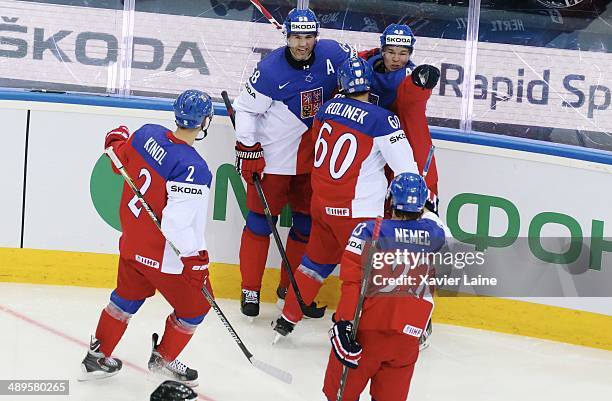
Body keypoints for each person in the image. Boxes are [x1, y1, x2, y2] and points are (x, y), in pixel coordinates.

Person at [273, 56, 420, 340]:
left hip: (323, 205)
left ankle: (287, 319)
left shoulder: (326, 109)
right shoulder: (382, 119)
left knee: (313, 264)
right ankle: (345, 329)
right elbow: (407, 171)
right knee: (362, 275)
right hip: (358, 215)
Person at [79, 89, 215, 387]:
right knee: (197, 308)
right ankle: (164, 360)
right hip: (165, 257)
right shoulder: (193, 168)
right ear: (206, 121)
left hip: (132, 244)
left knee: (126, 298)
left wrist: (116, 138)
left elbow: (117, 158)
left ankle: (97, 356)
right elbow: (178, 225)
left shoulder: (146, 135)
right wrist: (196, 261)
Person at [232, 8, 353, 318]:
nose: (303, 43)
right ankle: (250, 289)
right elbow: (244, 109)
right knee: (260, 224)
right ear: (286, 36)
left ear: (317, 36)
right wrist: (249, 147)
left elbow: (360, 65)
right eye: (297, 36)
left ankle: (291, 289)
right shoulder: (270, 70)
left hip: (313, 160)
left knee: (306, 226)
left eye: (309, 36)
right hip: (273, 160)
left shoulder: (333, 54)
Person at [322, 172, 449, 401]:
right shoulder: (436, 234)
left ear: (390, 200)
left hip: (365, 333)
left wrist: (343, 322)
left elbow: (353, 284)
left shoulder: (370, 231)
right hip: (407, 339)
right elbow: (435, 222)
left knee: (340, 396)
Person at [359, 23, 441, 210]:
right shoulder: (367, 66)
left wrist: (422, 84)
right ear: (382, 51)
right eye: (391, 52)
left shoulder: (409, 78)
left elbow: (411, 96)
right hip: (370, 150)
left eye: (403, 53)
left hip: (404, 148)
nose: (396, 58)